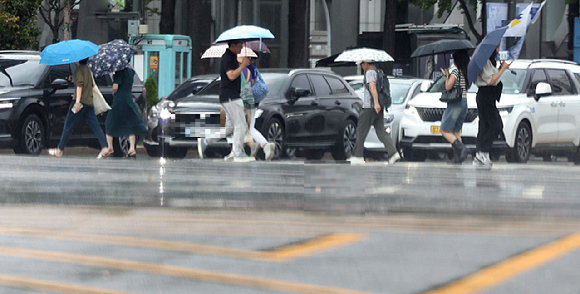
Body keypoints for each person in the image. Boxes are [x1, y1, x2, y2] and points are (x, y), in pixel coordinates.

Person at [198, 40, 254, 162]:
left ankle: (206, 140)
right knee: (241, 125)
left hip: (228, 96)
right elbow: (231, 75)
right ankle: (238, 153)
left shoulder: (232, 57)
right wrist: (243, 65)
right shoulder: (227, 58)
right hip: (231, 96)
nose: (241, 48)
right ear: (233, 46)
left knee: (229, 126)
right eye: (240, 45)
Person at [47, 58, 109, 158]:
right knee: (95, 126)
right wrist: (74, 79)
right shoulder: (87, 69)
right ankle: (105, 147)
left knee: (68, 125)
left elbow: (80, 87)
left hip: (80, 103)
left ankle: (59, 150)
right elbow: (86, 83)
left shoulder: (79, 69)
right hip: (89, 102)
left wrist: (77, 102)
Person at [348, 61, 400, 165]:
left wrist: (375, 103)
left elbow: (373, 88)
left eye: (362, 64)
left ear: (366, 63)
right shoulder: (377, 72)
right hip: (378, 107)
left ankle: (358, 156)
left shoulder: (370, 73)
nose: (362, 66)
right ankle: (393, 153)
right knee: (381, 131)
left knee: (361, 131)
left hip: (369, 107)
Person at [473, 45, 511, 167]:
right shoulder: (483, 61)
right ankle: (482, 151)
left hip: (489, 96)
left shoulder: (489, 62)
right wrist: (503, 69)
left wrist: (500, 67)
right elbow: (491, 80)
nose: (498, 50)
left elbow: (493, 77)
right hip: (485, 96)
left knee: (486, 125)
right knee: (496, 125)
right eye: (497, 48)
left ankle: (482, 153)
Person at [103, 66, 147, 158]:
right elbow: (131, 85)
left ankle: (110, 147)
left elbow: (115, 87)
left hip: (119, 100)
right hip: (128, 99)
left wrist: (113, 90)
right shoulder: (131, 71)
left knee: (109, 123)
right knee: (130, 124)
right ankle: (132, 149)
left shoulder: (119, 72)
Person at [238, 57, 276, 161]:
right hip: (253, 102)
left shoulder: (246, 69)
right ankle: (264, 145)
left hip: (246, 101)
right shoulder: (253, 68)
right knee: (249, 128)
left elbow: (249, 83)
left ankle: (260, 146)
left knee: (243, 128)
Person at [441, 49, 470, 164]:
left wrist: (447, 75)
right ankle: (458, 158)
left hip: (455, 103)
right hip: (464, 102)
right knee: (456, 131)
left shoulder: (456, 72)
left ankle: (461, 148)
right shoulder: (465, 72)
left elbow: (448, 87)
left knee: (444, 129)